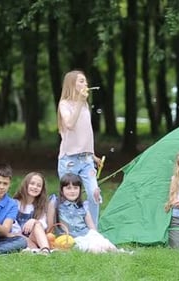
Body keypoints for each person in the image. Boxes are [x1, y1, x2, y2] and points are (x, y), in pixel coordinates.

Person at [57, 70, 104, 226]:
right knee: (68, 196)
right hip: (69, 160)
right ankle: (68, 230)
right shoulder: (64, 104)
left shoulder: (84, 104)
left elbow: (84, 134)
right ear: (72, 84)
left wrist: (93, 155)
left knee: (94, 193)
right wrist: (78, 103)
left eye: (86, 81)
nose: (86, 84)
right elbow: (70, 125)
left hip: (86, 160)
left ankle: (93, 231)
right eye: (81, 81)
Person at [47, 173, 120, 253]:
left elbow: (92, 228)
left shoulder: (83, 206)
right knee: (95, 249)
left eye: (75, 188)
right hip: (69, 239)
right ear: (62, 190)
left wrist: (97, 237)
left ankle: (120, 253)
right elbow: (50, 227)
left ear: (80, 190)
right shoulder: (55, 202)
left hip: (86, 235)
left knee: (106, 244)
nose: (72, 191)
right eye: (68, 188)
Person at [12, 172, 51, 254]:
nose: (35, 187)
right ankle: (34, 249)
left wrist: (34, 221)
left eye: (39, 185)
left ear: (42, 190)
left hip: (34, 237)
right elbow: (12, 226)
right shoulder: (15, 203)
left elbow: (43, 225)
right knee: (18, 236)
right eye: (32, 184)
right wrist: (25, 239)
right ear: (25, 185)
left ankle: (45, 250)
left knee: (37, 225)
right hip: (17, 236)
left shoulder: (40, 206)